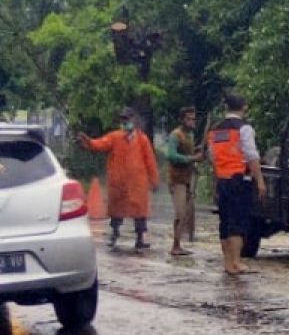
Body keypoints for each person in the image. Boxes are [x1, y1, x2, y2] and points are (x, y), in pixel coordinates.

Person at [76, 106, 159, 250]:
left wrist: (154, 180)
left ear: (134, 120)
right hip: (118, 183)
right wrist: (89, 143)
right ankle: (114, 235)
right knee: (116, 211)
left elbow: (150, 161)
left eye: (127, 119)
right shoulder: (115, 137)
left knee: (139, 213)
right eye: (123, 120)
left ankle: (140, 238)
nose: (125, 122)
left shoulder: (142, 139)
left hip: (137, 184)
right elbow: (101, 143)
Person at [207, 93, 266, 275]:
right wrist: (260, 181)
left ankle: (227, 263)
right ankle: (236, 262)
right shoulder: (244, 129)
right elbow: (252, 156)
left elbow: (212, 156)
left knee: (225, 220)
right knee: (238, 220)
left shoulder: (215, 130)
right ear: (244, 107)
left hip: (222, 180)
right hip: (239, 179)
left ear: (226, 108)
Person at [165, 106, 203, 256]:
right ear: (182, 120)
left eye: (193, 119)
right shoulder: (176, 135)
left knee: (187, 213)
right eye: (188, 119)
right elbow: (172, 155)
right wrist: (192, 158)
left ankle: (179, 243)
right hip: (177, 180)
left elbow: (188, 153)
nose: (192, 121)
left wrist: (196, 155)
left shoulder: (190, 136)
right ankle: (175, 245)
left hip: (187, 178)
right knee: (180, 213)